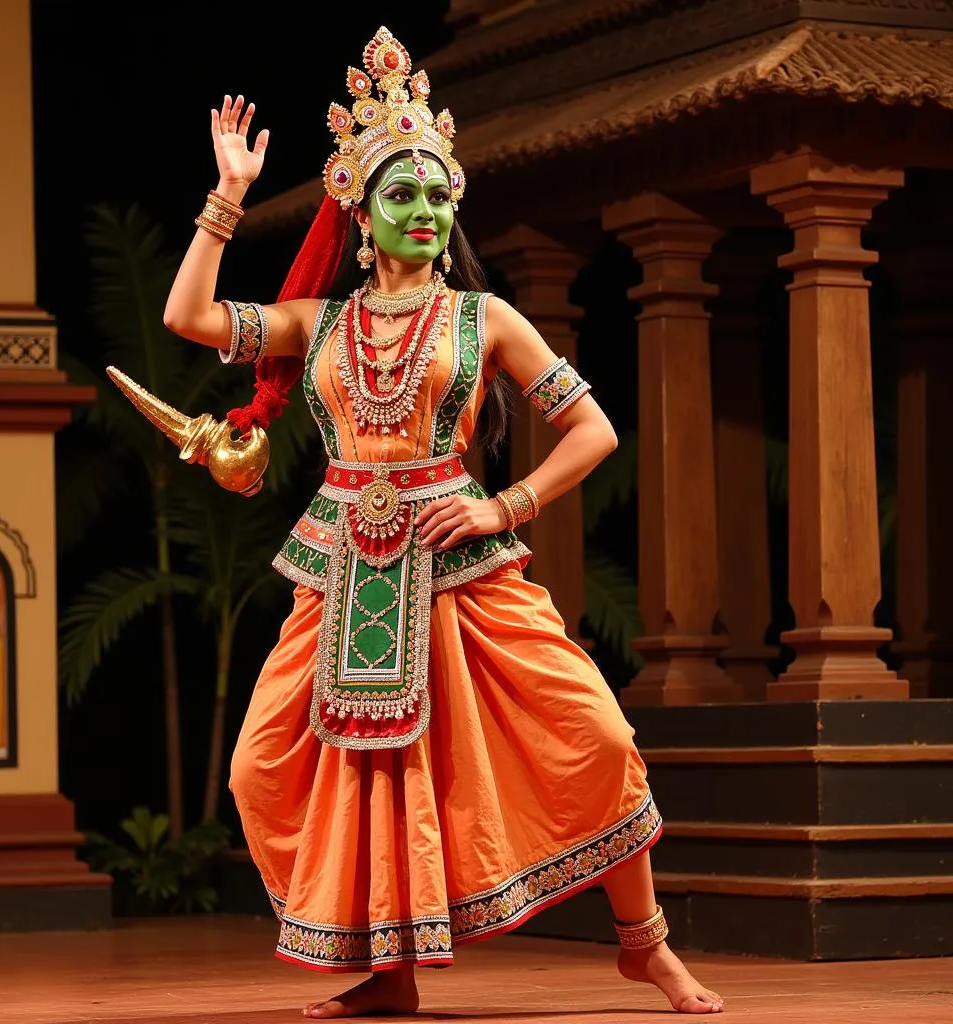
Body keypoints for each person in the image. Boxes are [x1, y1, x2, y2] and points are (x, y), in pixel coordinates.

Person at [161, 26, 723, 1017]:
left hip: (462, 566)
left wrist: (505, 503)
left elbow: (592, 429)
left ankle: (645, 945)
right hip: (339, 572)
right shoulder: (320, 324)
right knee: (270, 770)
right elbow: (191, 321)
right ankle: (389, 970)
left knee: (593, 737)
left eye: (436, 195)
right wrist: (227, 201)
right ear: (363, 221)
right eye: (401, 196)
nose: (423, 211)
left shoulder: (484, 318)